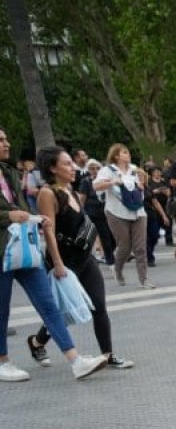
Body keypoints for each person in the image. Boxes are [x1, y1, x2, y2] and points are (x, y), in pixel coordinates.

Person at [0, 128, 109, 383]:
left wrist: (32, 218)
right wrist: (8, 216)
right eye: (2, 140)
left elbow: (21, 206)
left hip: (24, 248)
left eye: (6, 137)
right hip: (2, 250)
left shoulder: (10, 173)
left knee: (49, 304)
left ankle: (76, 361)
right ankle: (3, 361)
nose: (7, 143)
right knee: (1, 309)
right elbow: (10, 212)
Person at [28, 145, 134, 370]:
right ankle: (37, 342)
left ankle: (108, 355)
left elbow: (82, 222)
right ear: (52, 168)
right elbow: (49, 231)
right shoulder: (47, 193)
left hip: (85, 259)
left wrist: (94, 247)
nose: (73, 168)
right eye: (67, 164)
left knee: (99, 307)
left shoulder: (71, 189)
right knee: (61, 311)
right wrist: (57, 264)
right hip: (64, 262)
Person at [93, 144, 151, 289]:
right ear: (116, 156)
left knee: (140, 247)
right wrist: (113, 182)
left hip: (138, 211)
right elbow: (96, 186)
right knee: (124, 246)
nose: (128, 154)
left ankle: (144, 279)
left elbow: (141, 185)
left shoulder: (134, 169)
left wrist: (141, 186)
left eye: (128, 152)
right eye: (124, 152)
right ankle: (118, 269)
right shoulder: (108, 170)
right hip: (116, 212)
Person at [78, 158, 115, 266]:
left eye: (98, 168)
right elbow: (82, 199)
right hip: (94, 212)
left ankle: (108, 254)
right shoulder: (86, 182)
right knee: (105, 236)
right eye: (92, 168)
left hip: (109, 211)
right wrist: (82, 213)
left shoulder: (106, 181)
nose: (95, 170)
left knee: (113, 237)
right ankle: (110, 259)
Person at [144, 164, 171, 267]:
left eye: (143, 177)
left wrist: (164, 216)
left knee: (155, 235)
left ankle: (149, 251)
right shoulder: (134, 189)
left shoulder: (148, 188)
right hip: (140, 216)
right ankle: (149, 257)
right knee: (145, 237)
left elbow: (155, 202)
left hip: (152, 213)